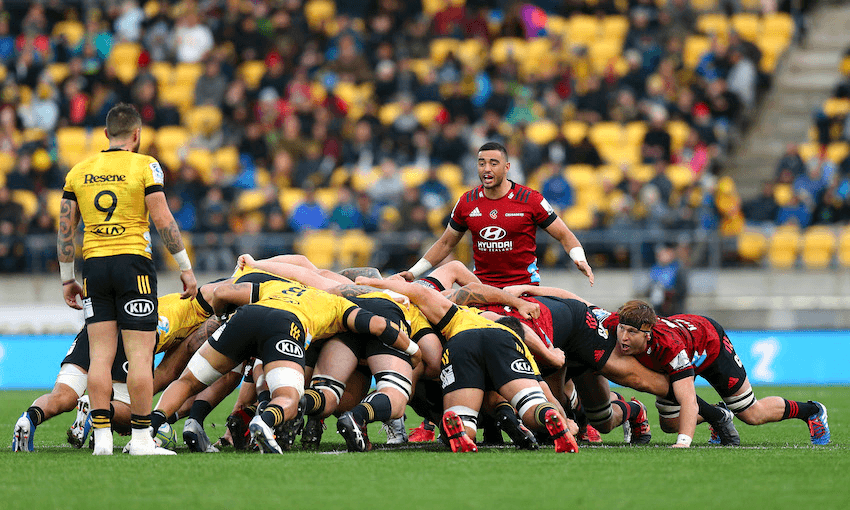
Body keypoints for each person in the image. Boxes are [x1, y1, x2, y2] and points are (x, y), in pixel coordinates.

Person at [50, 103, 197, 456]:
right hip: (133, 266)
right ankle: (142, 440)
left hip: (95, 268)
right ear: (137, 134)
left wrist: (68, 278)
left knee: (100, 356)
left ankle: (101, 439)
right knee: (139, 356)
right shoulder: (145, 165)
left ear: (105, 135)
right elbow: (163, 218)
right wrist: (185, 268)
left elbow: (66, 231)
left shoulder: (79, 171)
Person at [149, 273, 420, 454]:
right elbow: (377, 325)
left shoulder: (279, 285)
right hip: (285, 326)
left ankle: (149, 430)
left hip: (245, 317)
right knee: (289, 395)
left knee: (187, 381)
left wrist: (223, 317)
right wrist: (412, 349)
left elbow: (222, 292)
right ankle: (265, 421)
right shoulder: (337, 304)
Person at [356, 276, 579, 453]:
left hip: (462, 342)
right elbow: (544, 389)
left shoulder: (461, 314)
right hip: (504, 344)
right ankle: (546, 416)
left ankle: (460, 425)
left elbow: (422, 293)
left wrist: (374, 283)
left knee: (464, 417)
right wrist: (564, 420)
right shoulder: (509, 334)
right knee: (532, 403)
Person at [12, 282, 221, 452]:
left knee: (62, 396)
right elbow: (167, 372)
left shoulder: (176, 302)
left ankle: (29, 419)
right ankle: (98, 410)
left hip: (99, 325)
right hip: (136, 334)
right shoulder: (200, 320)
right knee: (134, 413)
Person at [607, 300, 830, 447]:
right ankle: (719, 414)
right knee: (670, 424)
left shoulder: (670, 348)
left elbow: (688, 399)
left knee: (751, 414)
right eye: (622, 329)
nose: (623, 337)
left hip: (711, 345)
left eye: (632, 332)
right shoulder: (615, 323)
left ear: (647, 334)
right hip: (688, 344)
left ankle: (811, 411)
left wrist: (683, 442)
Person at [399, 141, 594, 289]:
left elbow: (564, 234)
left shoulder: (530, 199)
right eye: (482, 163)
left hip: (524, 289)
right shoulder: (467, 202)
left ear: (507, 167)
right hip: (482, 289)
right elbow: (445, 243)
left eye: (493, 163)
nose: (487, 169)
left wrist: (580, 258)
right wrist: (413, 272)